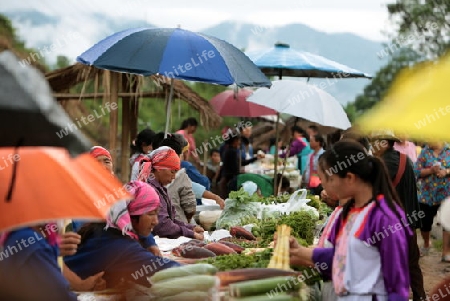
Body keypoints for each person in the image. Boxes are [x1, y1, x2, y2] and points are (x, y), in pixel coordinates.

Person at [288, 140, 412, 301]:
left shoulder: (384, 219)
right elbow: (342, 258)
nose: (324, 185)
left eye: (329, 179)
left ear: (349, 178)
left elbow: (397, 287)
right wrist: (301, 252)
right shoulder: (349, 212)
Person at [64, 181, 180, 288]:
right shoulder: (120, 246)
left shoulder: (104, 229)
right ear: (132, 216)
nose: (156, 221)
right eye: (151, 214)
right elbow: (165, 271)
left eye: (157, 214)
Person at [370, 130, 425, 301]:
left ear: (385, 143)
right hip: (409, 219)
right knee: (412, 263)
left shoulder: (380, 164)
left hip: (389, 223)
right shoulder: (405, 159)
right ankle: (420, 296)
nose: (372, 146)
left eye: (375, 142)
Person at [137, 146, 205, 240]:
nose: (173, 177)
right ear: (160, 169)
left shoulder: (160, 188)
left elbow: (169, 220)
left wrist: (190, 227)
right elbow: (163, 226)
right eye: (172, 172)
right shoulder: (150, 190)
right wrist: (190, 233)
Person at [414, 141, 450, 262]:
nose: (427, 140)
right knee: (425, 222)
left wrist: (446, 172)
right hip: (427, 195)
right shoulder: (424, 152)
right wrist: (431, 171)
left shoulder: (449, 150)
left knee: (447, 223)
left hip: (446, 193)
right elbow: (416, 171)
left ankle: (445, 252)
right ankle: (426, 243)